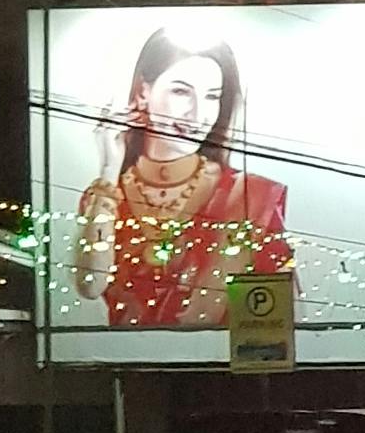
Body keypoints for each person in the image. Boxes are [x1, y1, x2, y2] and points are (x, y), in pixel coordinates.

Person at [69, 30, 292, 331]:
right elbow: (89, 285)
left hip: (223, 361)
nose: (198, 115)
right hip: (123, 358)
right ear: (143, 93)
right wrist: (109, 167)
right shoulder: (104, 197)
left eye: (212, 96)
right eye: (181, 92)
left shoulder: (252, 196)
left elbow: (280, 321)